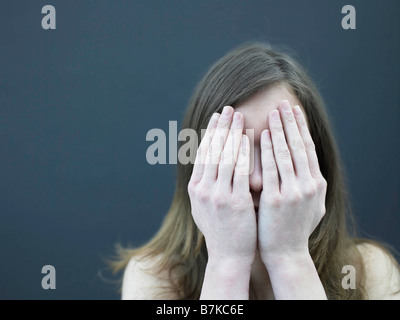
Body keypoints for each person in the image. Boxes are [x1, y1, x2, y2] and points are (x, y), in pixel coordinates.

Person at [111, 42, 400, 299]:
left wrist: (290, 259)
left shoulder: (369, 272)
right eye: (234, 152)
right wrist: (227, 262)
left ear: (318, 164)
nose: (258, 180)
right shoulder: (156, 278)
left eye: (281, 151)